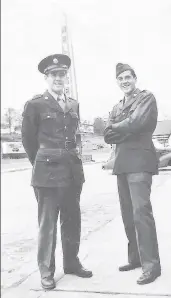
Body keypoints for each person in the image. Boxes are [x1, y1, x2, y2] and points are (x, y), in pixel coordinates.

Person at [21, 54, 92, 290]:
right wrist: (41, 162)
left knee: (72, 221)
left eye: (62, 74)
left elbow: (74, 136)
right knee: (48, 224)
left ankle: (72, 263)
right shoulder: (35, 104)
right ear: (46, 78)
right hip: (47, 173)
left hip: (72, 172)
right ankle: (46, 271)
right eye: (54, 75)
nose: (58, 78)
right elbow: (28, 141)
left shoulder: (73, 104)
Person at [104, 63, 161, 285]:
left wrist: (121, 127)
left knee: (141, 214)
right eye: (120, 78)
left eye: (128, 77)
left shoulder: (146, 98)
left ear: (135, 78)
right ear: (117, 82)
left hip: (140, 161)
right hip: (122, 163)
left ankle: (152, 266)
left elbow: (138, 122)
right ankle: (136, 259)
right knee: (128, 214)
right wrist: (128, 129)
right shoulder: (118, 106)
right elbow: (108, 135)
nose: (124, 81)